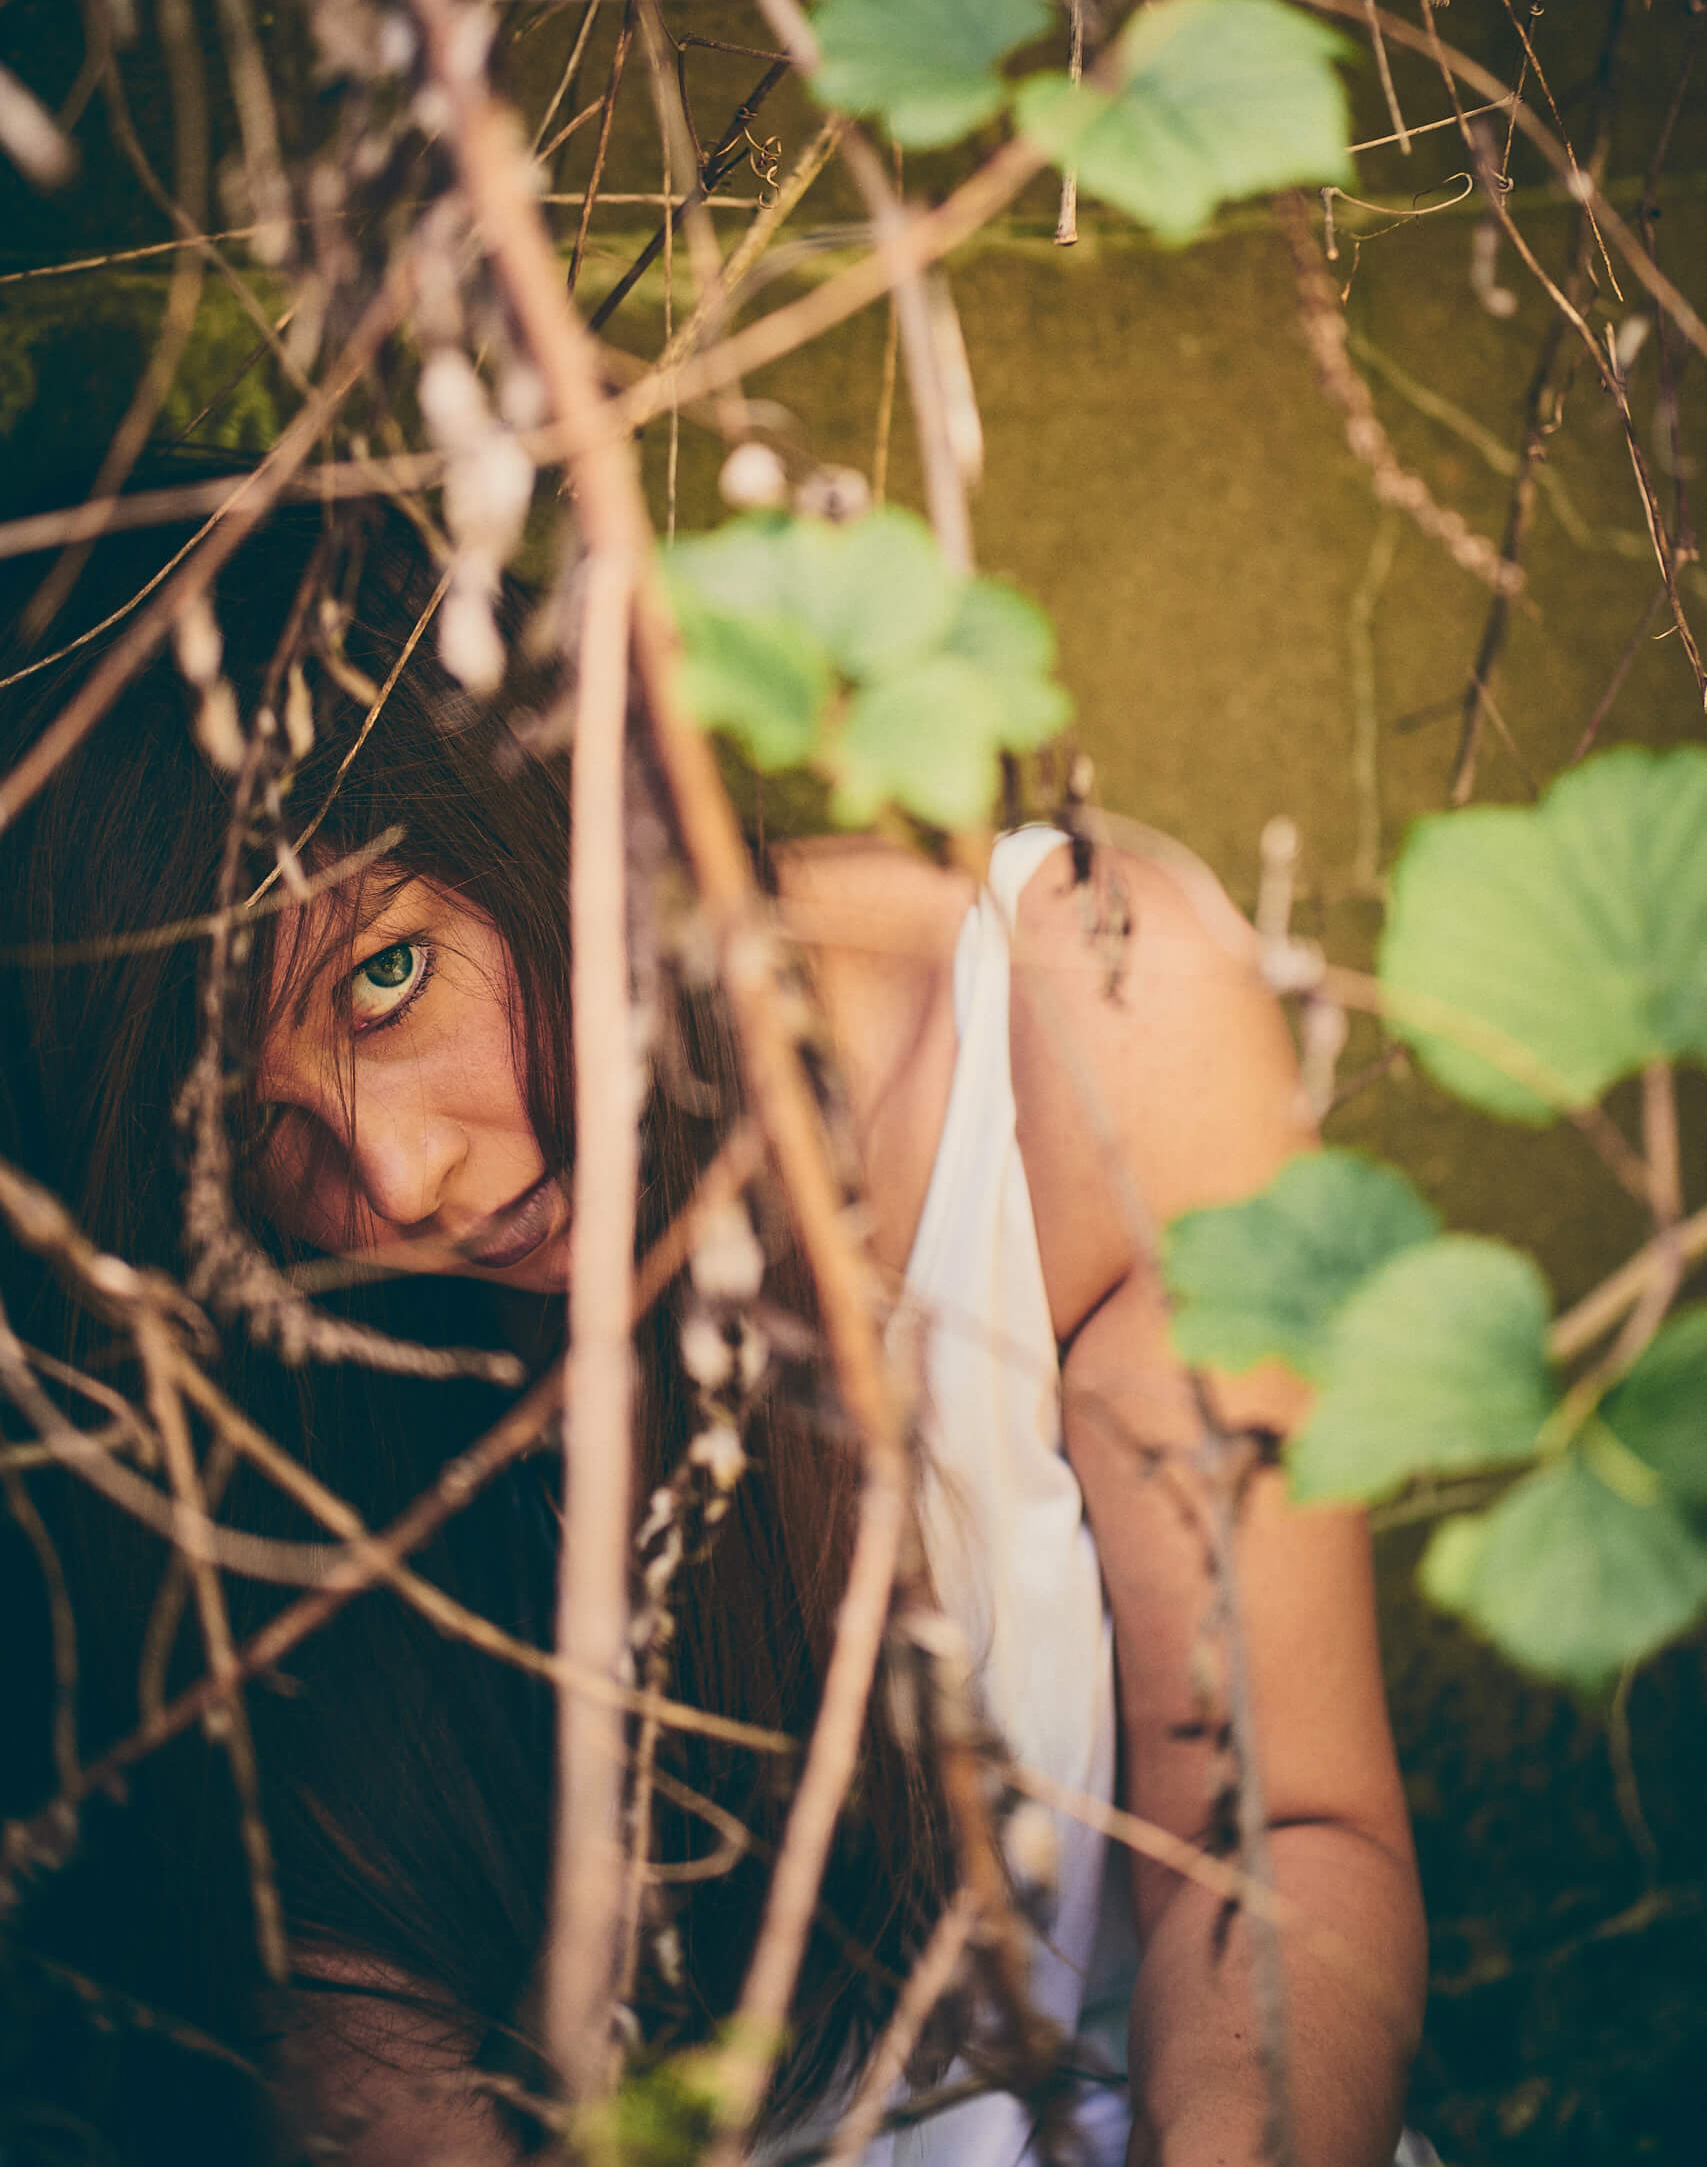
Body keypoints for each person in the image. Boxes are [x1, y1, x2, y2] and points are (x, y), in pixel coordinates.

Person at [0, 512, 1426, 2167]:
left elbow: (1286, 1836)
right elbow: (360, 2024)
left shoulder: (1081, 1029)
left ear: (551, 786)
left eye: (386, 975)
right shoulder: (299, 1372)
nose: (396, 1175)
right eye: (255, 1126)